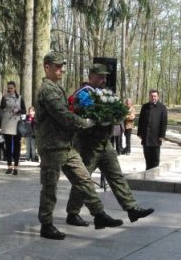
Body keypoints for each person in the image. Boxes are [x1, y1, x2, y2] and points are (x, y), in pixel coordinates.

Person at [34, 51, 123, 240]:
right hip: (51, 146)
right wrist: (86, 122)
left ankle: (99, 214)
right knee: (50, 186)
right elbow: (63, 116)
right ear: (47, 67)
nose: (61, 70)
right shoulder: (47, 90)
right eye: (57, 67)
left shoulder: (56, 87)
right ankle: (46, 224)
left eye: (62, 66)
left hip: (65, 145)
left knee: (83, 179)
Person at [65, 64, 154, 227]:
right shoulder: (83, 93)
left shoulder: (103, 93)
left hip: (104, 143)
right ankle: (72, 213)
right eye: (100, 77)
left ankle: (131, 208)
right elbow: (79, 115)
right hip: (88, 144)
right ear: (91, 76)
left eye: (104, 77)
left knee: (116, 175)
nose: (103, 80)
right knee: (83, 179)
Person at [137, 89, 168, 170]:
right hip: (146, 136)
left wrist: (162, 135)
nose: (153, 97)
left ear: (158, 97)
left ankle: (154, 172)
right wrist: (139, 132)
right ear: (149, 96)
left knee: (155, 158)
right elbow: (140, 120)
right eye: (151, 96)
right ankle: (148, 171)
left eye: (155, 96)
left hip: (156, 137)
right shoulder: (144, 107)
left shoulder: (162, 107)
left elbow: (164, 122)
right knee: (147, 157)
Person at [0, 81, 25, 175]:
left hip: (16, 123)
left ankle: (16, 167)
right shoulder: (5, 97)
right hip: (7, 123)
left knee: (17, 145)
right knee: (8, 145)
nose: (10, 90)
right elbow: (1, 107)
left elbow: (24, 110)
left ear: (15, 88)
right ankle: (9, 166)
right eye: (8, 88)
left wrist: (18, 111)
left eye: (11, 88)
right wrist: (4, 98)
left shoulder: (20, 98)